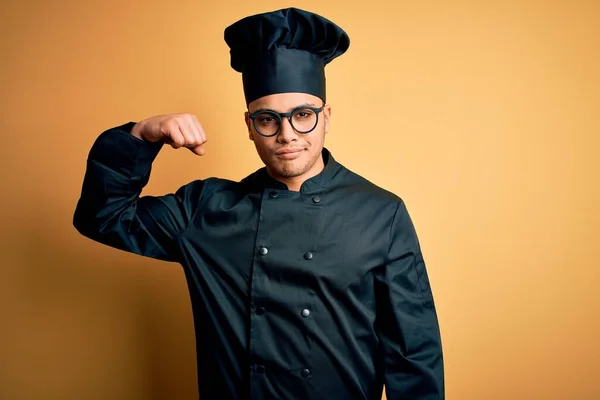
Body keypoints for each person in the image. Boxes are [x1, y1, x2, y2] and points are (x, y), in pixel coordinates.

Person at [73, 7, 444, 400]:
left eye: (303, 115)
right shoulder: (205, 209)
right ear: (249, 126)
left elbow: (413, 353)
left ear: (327, 117)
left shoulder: (381, 214)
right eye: (268, 119)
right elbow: (103, 216)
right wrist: (141, 136)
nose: (287, 134)